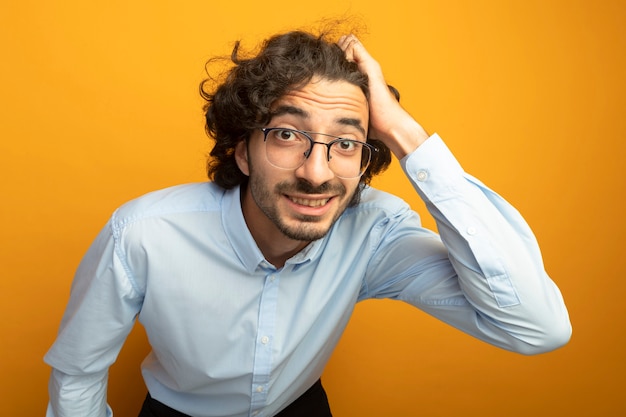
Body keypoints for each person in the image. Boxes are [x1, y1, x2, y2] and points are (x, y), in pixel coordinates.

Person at [44, 29, 571, 417]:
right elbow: (78, 373)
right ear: (243, 151)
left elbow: (535, 328)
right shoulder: (142, 234)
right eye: (287, 135)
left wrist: (405, 135)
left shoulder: (374, 233)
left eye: (345, 143)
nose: (317, 174)